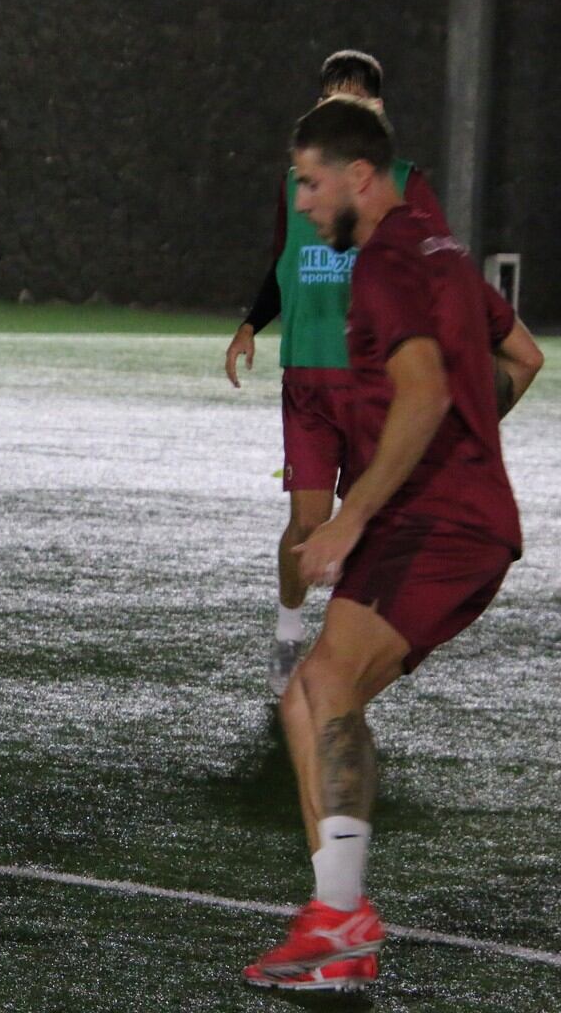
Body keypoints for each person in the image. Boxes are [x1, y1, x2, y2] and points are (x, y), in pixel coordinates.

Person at [241, 96, 543, 993]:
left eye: (309, 179)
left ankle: (341, 921)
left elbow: (423, 394)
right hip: (457, 515)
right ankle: (340, 926)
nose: (300, 201)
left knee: (323, 686)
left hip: (436, 524)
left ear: (357, 177)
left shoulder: (379, 266)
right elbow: (523, 358)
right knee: (312, 698)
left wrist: (353, 513)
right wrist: (472, 444)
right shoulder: (439, 251)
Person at [225, 51, 455, 697]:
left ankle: (349, 648)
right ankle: (288, 629)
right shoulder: (297, 185)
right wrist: (251, 325)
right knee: (307, 521)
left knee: (369, 519)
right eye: (334, 99)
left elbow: (438, 267)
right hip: (308, 379)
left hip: (376, 382)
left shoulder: (405, 185)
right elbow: (284, 260)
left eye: (358, 101)